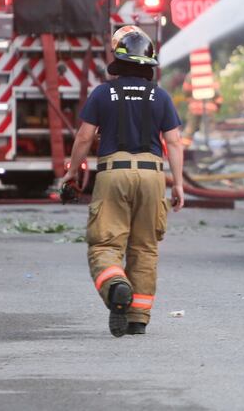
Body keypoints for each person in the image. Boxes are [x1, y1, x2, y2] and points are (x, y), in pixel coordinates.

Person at [64, 25, 185, 338]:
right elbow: (173, 142)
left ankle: (117, 287)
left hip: (113, 174)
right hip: (152, 176)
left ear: (117, 59)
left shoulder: (104, 93)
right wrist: (179, 184)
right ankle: (137, 319)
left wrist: (72, 172)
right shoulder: (160, 96)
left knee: (105, 243)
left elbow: (84, 137)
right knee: (145, 248)